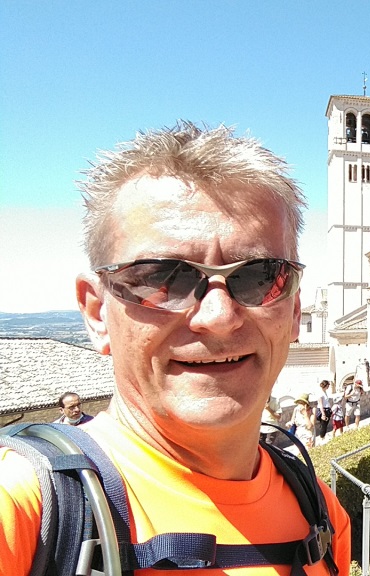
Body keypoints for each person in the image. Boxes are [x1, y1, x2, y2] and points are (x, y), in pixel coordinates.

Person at [0, 121, 350, 574]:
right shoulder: (25, 507)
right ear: (95, 312)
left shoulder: (319, 511)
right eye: (164, 278)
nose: (219, 316)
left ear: (295, 310)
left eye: (261, 276)